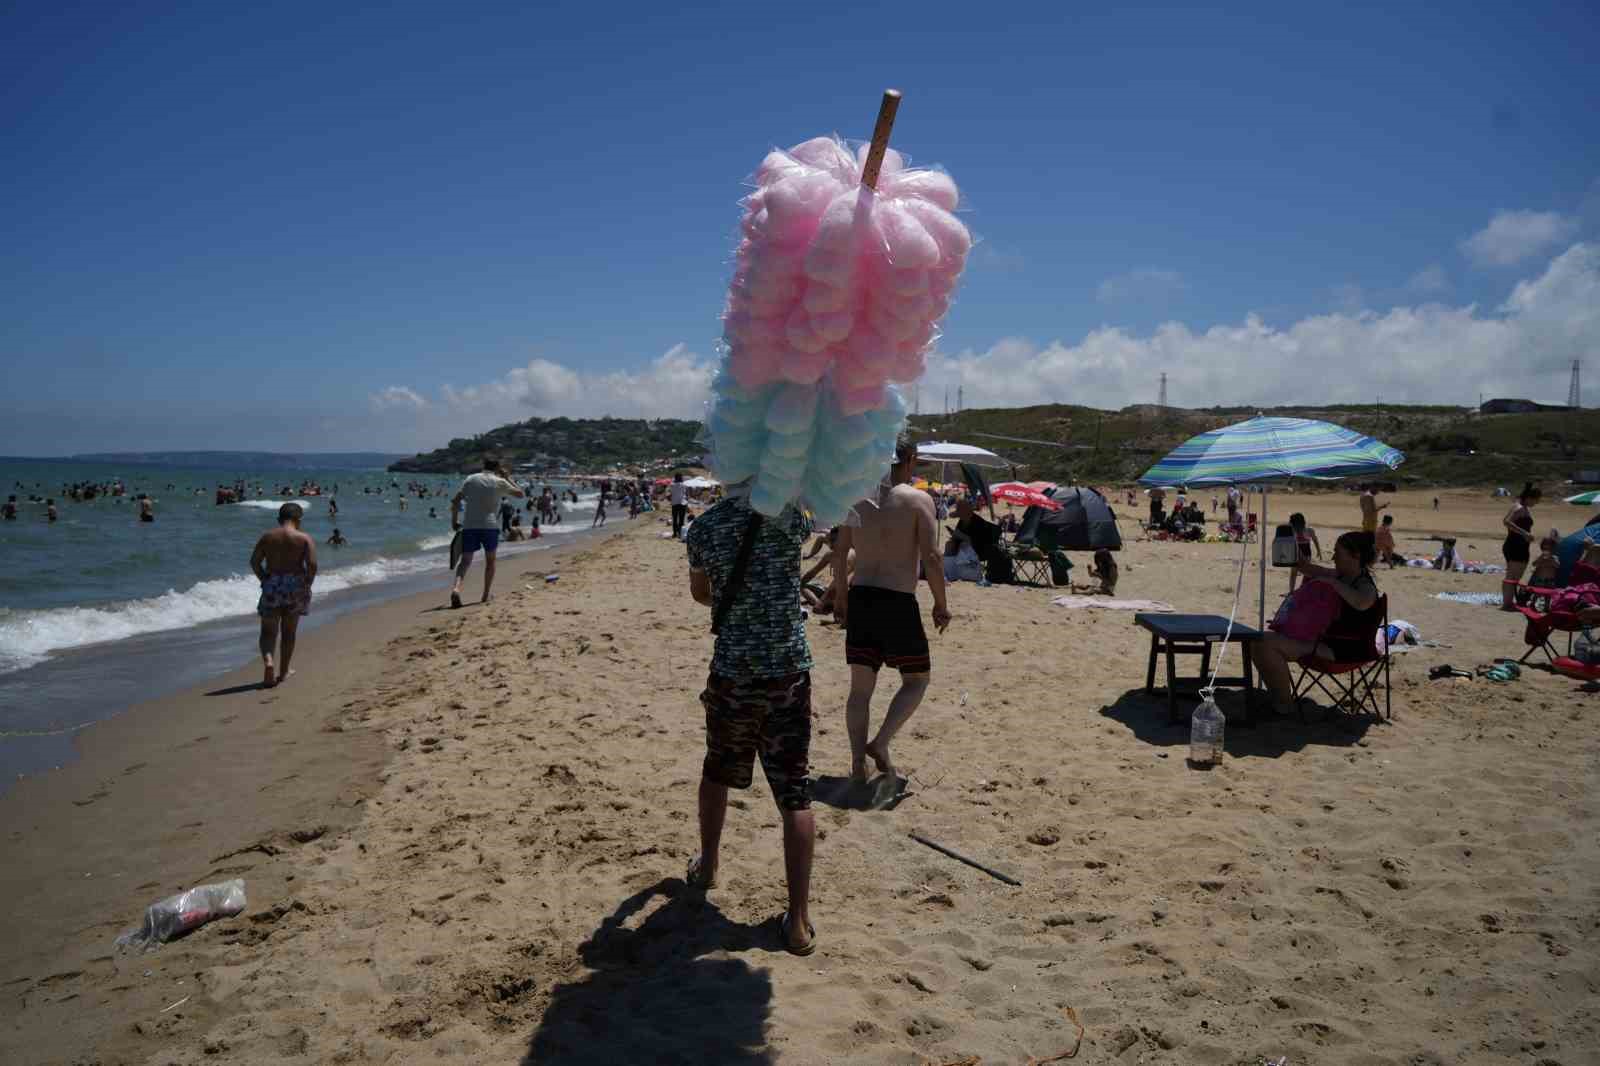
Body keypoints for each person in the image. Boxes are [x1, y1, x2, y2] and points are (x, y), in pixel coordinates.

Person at [684, 479, 816, 956]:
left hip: (734, 672)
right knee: (794, 790)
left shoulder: (703, 528)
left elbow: (702, 594)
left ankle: (710, 865)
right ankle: (798, 922)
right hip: (788, 674)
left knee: (717, 767)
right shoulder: (789, 517)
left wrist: (733, 594)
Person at [833, 436, 951, 785]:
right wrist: (941, 605)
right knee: (916, 680)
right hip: (898, 601)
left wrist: (841, 597)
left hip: (862, 598)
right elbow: (931, 557)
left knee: (860, 690)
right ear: (910, 459)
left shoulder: (857, 499)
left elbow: (839, 554)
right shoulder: (918, 500)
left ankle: (857, 763)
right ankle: (881, 742)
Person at [1251, 531, 1380, 718]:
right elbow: (1313, 571)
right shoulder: (1343, 576)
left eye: (1338, 553)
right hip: (1327, 643)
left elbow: (1362, 602)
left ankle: (1284, 706)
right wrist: (1301, 563)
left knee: (1264, 643)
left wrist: (1333, 584)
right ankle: (1280, 700)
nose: (1334, 557)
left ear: (1356, 556)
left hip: (1345, 651)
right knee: (1259, 640)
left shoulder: (1364, 586)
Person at [250, 503, 318, 688]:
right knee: (289, 632)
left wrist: (264, 579)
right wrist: (307, 584)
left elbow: (254, 562)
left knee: (268, 631)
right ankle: (284, 671)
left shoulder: (268, 537)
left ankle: (269, 663)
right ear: (299, 519)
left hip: (273, 583)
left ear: (279, 519)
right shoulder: (304, 538)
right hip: (295, 585)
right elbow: (311, 565)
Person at [449, 458, 525, 609]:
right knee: (490, 561)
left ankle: (456, 589)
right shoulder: (499, 481)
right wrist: (507, 478)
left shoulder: (470, 479)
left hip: (469, 525)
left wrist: (454, 521)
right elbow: (520, 494)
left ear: (483, 466)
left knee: (465, 561)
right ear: (497, 468)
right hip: (490, 526)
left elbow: (456, 500)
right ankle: (485, 595)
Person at [1501, 482, 1540, 610]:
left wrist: (1526, 534)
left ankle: (1509, 602)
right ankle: (1507, 604)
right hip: (1515, 545)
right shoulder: (1519, 508)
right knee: (1512, 576)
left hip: (1517, 545)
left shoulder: (1521, 508)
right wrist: (1524, 533)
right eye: (1536, 500)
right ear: (1529, 497)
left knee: (1514, 576)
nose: (1537, 503)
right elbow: (1506, 522)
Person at [1285, 513, 1322, 592]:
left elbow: (1315, 540)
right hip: (1303, 554)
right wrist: (1318, 551)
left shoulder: (1303, 531)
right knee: (1300, 573)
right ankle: (1296, 590)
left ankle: (1295, 590)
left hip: (1300, 554)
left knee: (1296, 573)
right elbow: (1315, 540)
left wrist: (1319, 551)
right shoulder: (1307, 530)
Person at [670, 473, 689, 539]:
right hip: (682, 503)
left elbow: (670, 493)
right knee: (681, 519)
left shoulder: (672, 485)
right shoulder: (684, 485)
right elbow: (686, 494)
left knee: (675, 519)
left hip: (674, 504)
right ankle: (680, 534)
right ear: (681, 478)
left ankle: (675, 533)